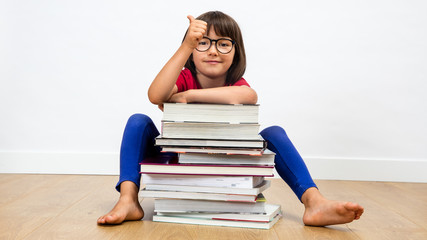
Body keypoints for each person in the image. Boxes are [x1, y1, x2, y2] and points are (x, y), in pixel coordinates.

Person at [97, 11, 364, 226]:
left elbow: (248, 95)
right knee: (137, 120)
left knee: (274, 132)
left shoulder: (234, 82)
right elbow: (155, 95)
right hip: (177, 156)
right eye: (203, 43)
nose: (213, 51)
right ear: (192, 49)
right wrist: (186, 46)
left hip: (223, 158)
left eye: (223, 44)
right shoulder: (183, 77)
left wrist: (188, 97)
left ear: (236, 51)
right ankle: (129, 199)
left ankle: (314, 201)